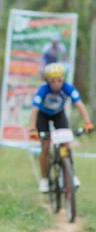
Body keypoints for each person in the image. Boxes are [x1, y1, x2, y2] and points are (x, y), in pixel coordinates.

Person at [28, 62, 94, 193]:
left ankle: (71, 174)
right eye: (52, 81)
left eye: (59, 80)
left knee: (66, 144)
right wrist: (32, 129)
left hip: (58, 114)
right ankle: (44, 179)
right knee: (45, 146)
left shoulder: (68, 88)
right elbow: (34, 110)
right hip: (43, 116)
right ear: (48, 81)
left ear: (63, 79)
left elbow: (79, 105)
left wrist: (87, 122)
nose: (56, 83)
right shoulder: (43, 90)